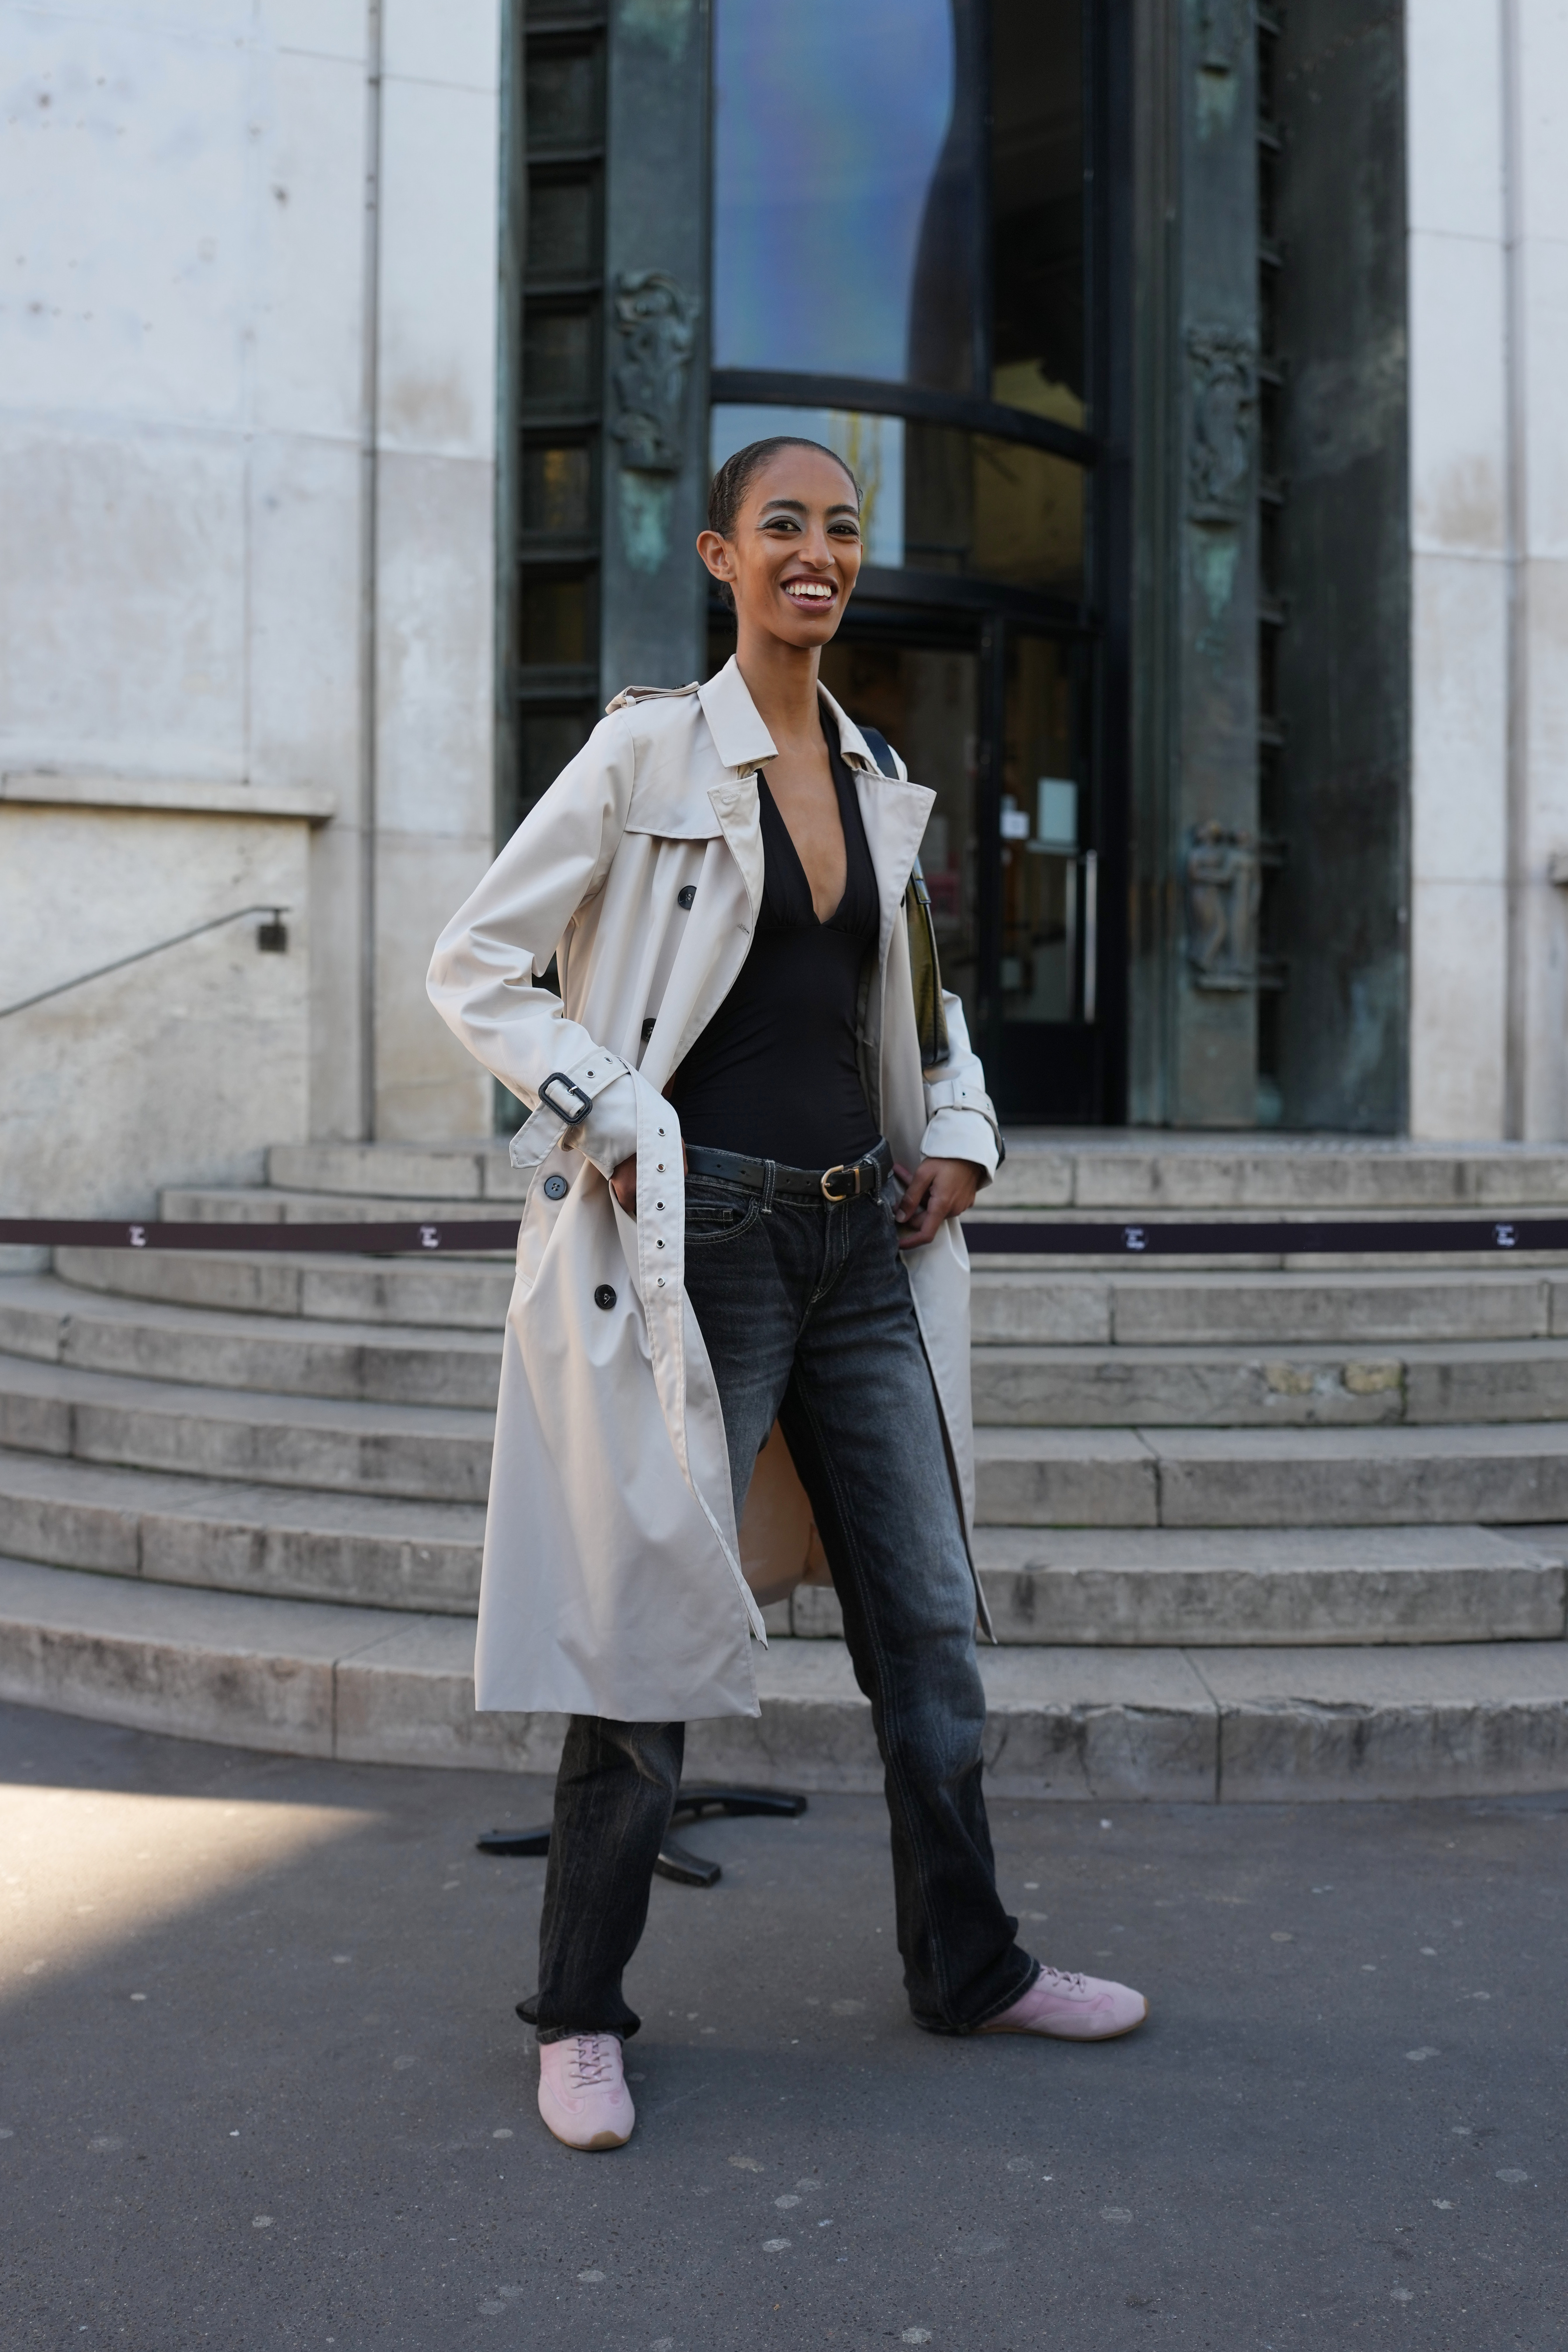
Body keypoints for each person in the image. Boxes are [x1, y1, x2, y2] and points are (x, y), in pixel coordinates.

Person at [427, 437, 1147, 2154]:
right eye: (782, 528)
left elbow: (923, 1012)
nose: (815, 553)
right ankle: (581, 2012)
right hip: (708, 1242)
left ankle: (967, 1964)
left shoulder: (878, 764)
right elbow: (475, 965)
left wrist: (959, 1136)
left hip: (860, 1250)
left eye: (840, 528)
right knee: (646, 1621)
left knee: (928, 1629)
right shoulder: (646, 749)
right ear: (719, 555)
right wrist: (604, 1109)